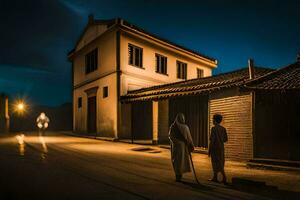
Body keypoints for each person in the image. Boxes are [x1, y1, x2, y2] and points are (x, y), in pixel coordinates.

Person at [169, 113, 194, 182]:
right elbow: (189, 138)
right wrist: (191, 145)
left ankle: (178, 175)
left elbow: (170, 137)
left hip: (175, 147)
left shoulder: (173, 126)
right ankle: (180, 174)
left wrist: (176, 142)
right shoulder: (185, 127)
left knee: (176, 161)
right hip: (183, 147)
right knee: (182, 161)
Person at [208, 114, 228, 184]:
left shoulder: (213, 129)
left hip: (215, 148)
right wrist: (220, 140)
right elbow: (225, 139)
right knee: (220, 162)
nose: (212, 120)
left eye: (213, 119)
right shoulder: (223, 129)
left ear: (215, 120)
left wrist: (209, 150)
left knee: (216, 162)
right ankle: (215, 177)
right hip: (221, 148)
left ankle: (224, 177)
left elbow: (212, 140)